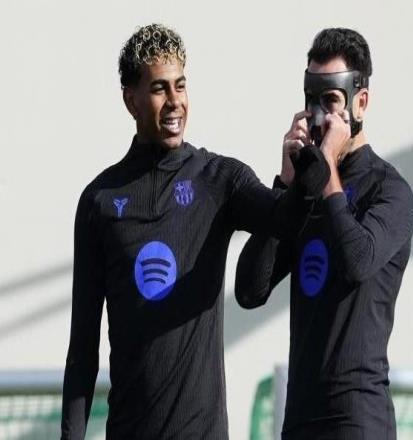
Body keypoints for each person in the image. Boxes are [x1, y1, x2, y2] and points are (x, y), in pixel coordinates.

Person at [60, 23, 328, 440]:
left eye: (180, 86)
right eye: (159, 88)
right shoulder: (99, 202)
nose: (174, 102)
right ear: (130, 100)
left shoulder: (219, 180)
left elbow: (283, 219)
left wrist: (305, 175)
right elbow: (82, 350)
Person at [235, 28, 413, 439]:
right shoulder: (305, 191)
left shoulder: (389, 190)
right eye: (311, 100)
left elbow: (356, 262)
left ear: (360, 102)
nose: (319, 116)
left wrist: (327, 170)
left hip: (357, 418)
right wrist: (285, 188)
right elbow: (250, 289)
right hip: (301, 419)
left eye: (331, 101)